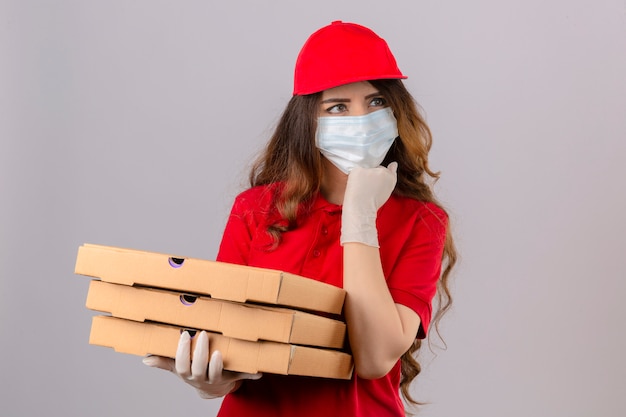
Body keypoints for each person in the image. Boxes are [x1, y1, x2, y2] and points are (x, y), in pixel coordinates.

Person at [143, 20, 457, 416]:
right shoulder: (254, 209)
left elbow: (376, 358)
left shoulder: (421, 220)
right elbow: (228, 339)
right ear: (308, 120)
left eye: (376, 102)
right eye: (338, 107)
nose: (361, 119)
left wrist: (360, 214)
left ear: (396, 110)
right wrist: (211, 380)